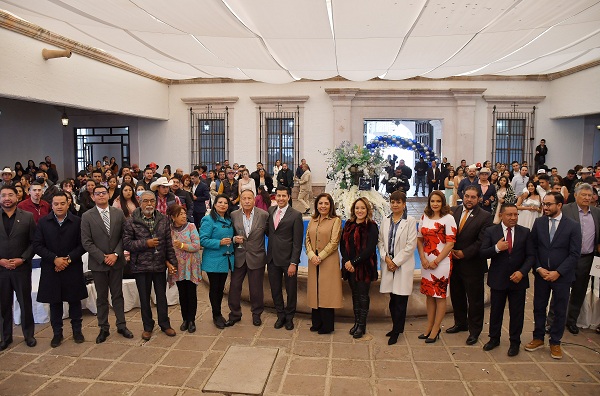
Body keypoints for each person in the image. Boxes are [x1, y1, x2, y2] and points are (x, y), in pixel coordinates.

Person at [526, 192, 581, 359]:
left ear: (559, 205)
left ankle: (555, 341)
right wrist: (538, 267)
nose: (545, 207)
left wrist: (559, 272)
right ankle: (538, 338)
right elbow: (532, 248)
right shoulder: (539, 222)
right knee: (539, 307)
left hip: (562, 276)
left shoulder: (572, 226)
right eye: (544, 204)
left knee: (559, 309)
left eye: (549, 204)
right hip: (542, 274)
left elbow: (574, 254)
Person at [34, 192, 88, 347]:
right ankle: (57, 333)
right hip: (51, 268)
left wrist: (67, 259)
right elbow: (37, 245)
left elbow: (83, 244)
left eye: (62, 203)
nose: (59, 206)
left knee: (74, 301)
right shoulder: (43, 222)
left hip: (72, 267)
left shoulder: (77, 221)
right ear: (51, 205)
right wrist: (55, 259)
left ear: (68, 203)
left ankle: (77, 331)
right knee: (55, 302)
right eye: (56, 204)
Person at [81, 185, 134, 343]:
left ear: (108, 195)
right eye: (98, 194)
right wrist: (103, 257)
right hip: (99, 263)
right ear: (93, 197)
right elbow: (86, 241)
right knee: (101, 297)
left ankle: (121, 325)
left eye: (104, 193)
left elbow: (125, 236)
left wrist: (116, 254)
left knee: (118, 295)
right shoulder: (87, 216)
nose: (101, 196)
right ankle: (103, 328)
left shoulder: (118, 213)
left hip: (116, 262)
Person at [480, 204, 534, 357]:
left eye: (515, 214)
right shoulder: (492, 231)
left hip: (518, 280)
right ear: (502, 215)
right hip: (498, 279)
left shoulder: (525, 232)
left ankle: (515, 342)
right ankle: (494, 338)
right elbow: (483, 253)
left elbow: (531, 256)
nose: (513, 218)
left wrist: (522, 272)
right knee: (496, 311)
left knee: (517, 313)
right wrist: (496, 248)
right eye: (509, 215)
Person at [123, 191, 178, 341]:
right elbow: (127, 243)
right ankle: (147, 327)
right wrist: (145, 243)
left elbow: (168, 244)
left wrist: (173, 263)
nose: (149, 204)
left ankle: (165, 324)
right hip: (141, 266)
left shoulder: (163, 219)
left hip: (159, 265)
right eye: (146, 201)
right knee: (144, 298)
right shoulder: (131, 221)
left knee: (161, 297)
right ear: (140, 202)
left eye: (152, 201)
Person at [549, 183, 600, 335]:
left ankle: (571, 321)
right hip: (566, 258)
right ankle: (551, 322)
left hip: (586, 258)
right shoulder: (565, 209)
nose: (586, 198)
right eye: (583, 195)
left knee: (579, 291)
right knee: (560, 290)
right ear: (576, 195)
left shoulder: (597, 213)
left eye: (589, 195)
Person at [447, 185, 493, 345]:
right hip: (454, 263)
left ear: (479, 198)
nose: (469, 199)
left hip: (472, 264)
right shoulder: (454, 211)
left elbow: (482, 241)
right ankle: (460, 323)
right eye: (467, 196)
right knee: (457, 294)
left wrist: (464, 253)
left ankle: (475, 331)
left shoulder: (486, 216)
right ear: (463, 196)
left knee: (475, 300)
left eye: (473, 197)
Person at [0, 185, 37, 351]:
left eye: (10, 195)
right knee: (3, 305)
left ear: (17, 197)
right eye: (3, 195)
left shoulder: (28, 217)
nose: (7, 198)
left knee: (25, 302)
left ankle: (29, 334)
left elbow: (34, 243)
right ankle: (5, 337)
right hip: (1, 269)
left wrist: (22, 259)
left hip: (21, 268)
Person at [378, 191, 417, 345]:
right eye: (393, 202)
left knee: (401, 300)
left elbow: (410, 245)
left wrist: (396, 262)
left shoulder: (410, 221)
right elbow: (380, 241)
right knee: (393, 299)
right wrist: (387, 259)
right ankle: (395, 327)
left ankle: (397, 331)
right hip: (388, 264)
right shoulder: (385, 220)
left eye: (398, 202)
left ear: (404, 204)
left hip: (402, 265)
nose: (395, 205)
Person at [417, 191, 456, 344]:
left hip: (442, 263)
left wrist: (437, 261)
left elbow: (450, 243)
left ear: (443, 202)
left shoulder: (449, 218)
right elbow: (419, 239)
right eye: (432, 201)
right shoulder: (424, 217)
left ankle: (436, 328)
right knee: (429, 295)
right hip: (426, 262)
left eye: (438, 201)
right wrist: (422, 258)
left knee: (439, 296)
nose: (435, 204)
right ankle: (429, 325)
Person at [226, 190, 269, 327]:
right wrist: (233, 240)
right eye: (244, 198)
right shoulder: (233, 215)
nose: (247, 201)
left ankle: (256, 314)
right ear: (240, 200)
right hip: (239, 257)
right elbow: (229, 234)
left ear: (254, 199)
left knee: (256, 289)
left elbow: (271, 234)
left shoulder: (263, 215)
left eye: (249, 198)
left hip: (257, 257)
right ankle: (235, 314)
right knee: (234, 287)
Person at [341, 197, 379, 339]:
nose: (360, 210)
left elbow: (369, 249)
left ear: (367, 210)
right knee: (355, 295)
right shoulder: (349, 224)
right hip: (350, 267)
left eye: (363, 208)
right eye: (357, 208)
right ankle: (356, 322)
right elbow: (342, 244)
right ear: (353, 210)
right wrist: (346, 261)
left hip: (364, 268)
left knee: (363, 296)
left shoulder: (371, 226)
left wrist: (354, 262)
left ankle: (362, 325)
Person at [304, 193, 342, 335]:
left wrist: (320, 256)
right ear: (316, 205)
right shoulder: (312, 220)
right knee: (315, 290)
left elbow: (334, 242)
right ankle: (316, 322)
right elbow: (307, 239)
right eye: (320, 203)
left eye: (326, 203)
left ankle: (327, 325)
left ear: (330, 205)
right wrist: (311, 255)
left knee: (327, 292)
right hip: (314, 260)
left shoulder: (335, 220)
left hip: (328, 261)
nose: (323, 206)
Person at [267, 186, 303, 330]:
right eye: (278, 196)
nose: (281, 198)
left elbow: (297, 242)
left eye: (284, 196)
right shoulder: (270, 211)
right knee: (275, 289)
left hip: (288, 260)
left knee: (290, 290)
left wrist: (293, 262)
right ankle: (280, 315)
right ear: (275, 197)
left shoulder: (296, 215)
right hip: (272, 259)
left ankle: (289, 317)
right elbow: (269, 232)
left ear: (289, 197)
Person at [199, 194, 234, 329]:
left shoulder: (229, 220)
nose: (223, 205)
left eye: (225, 203)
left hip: (226, 259)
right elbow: (203, 240)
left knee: (221, 288)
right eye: (220, 202)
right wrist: (219, 242)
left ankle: (218, 313)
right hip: (213, 259)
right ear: (214, 204)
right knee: (215, 288)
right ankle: (216, 315)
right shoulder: (208, 220)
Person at [167, 204, 202, 333]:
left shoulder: (191, 227)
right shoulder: (169, 230)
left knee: (191, 292)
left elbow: (196, 246)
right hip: (178, 266)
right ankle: (185, 319)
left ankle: (192, 320)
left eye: (184, 213)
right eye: (179, 214)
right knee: (182, 293)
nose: (183, 216)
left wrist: (181, 245)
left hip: (191, 265)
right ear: (172, 217)